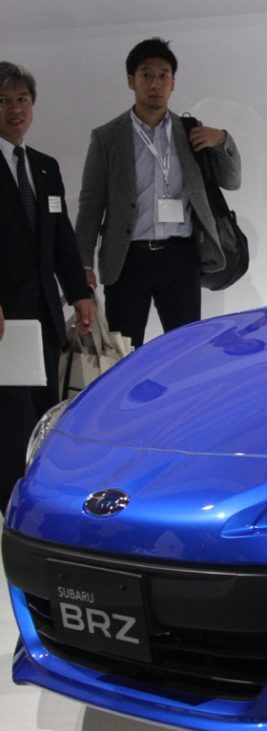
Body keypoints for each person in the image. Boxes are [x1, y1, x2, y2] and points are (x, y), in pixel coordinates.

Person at [76, 37, 240, 348]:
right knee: (125, 351)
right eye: (146, 75)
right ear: (131, 80)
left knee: (186, 350)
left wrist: (222, 140)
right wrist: (83, 265)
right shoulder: (107, 137)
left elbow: (232, 180)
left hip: (180, 255)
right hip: (128, 257)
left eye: (163, 75)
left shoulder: (191, 131)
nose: (155, 84)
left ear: (173, 82)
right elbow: (91, 205)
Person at [0, 61, 95, 507]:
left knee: (45, 413)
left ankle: (37, 498)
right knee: (11, 417)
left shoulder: (43, 167)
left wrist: (80, 294)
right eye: (3, 100)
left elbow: (61, 241)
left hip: (44, 315)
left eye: (22, 99)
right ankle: (11, 505)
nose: (14, 109)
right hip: (7, 322)